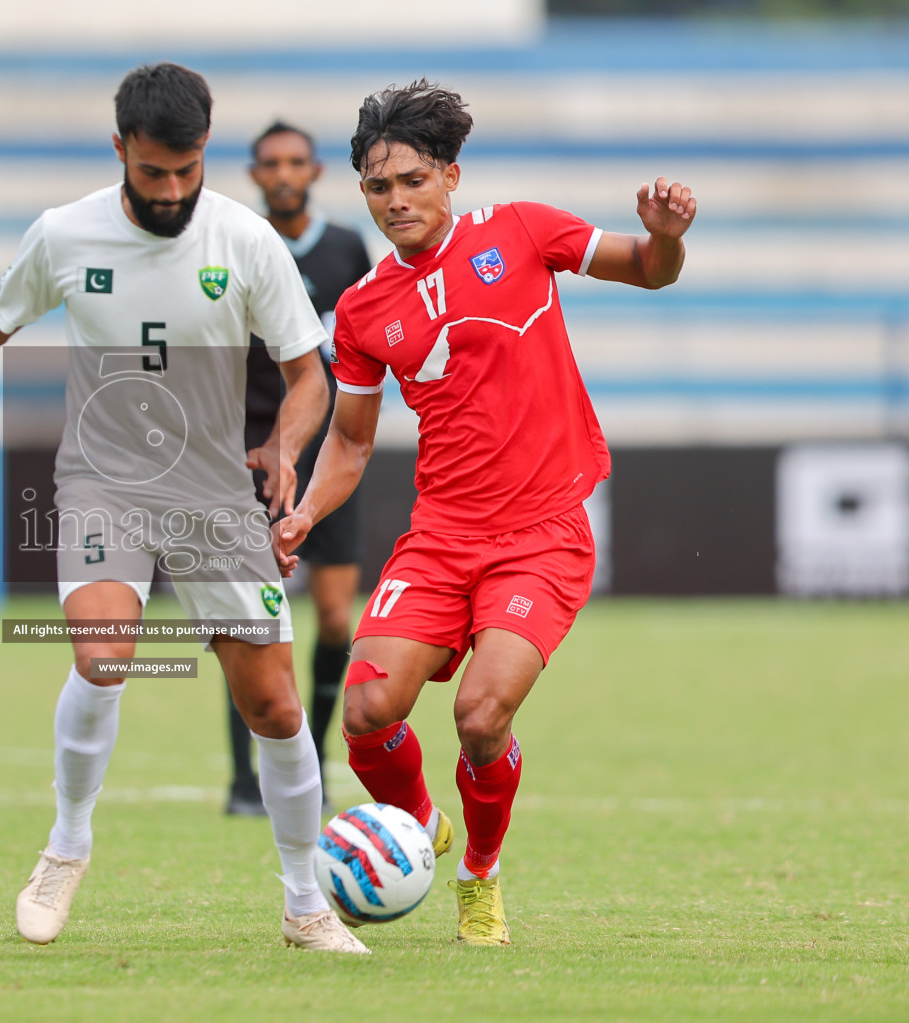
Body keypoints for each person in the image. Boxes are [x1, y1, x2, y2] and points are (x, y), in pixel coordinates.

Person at [0, 63, 369, 954]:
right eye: (152, 173)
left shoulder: (247, 243)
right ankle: (66, 848)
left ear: (207, 150)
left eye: (187, 170)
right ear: (119, 150)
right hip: (104, 479)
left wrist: (285, 450)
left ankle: (303, 904)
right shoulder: (65, 235)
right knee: (103, 658)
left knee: (278, 712)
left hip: (213, 492)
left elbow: (305, 378)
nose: (171, 191)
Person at [276, 80, 696, 946]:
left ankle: (478, 876)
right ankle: (422, 827)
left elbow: (649, 272)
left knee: (479, 716)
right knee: (364, 712)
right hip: (440, 536)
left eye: (413, 182)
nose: (396, 201)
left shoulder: (523, 231)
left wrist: (665, 237)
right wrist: (303, 513)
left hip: (542, 533)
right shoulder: (361, 309)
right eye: (378, 187)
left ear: (451, 177)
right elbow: (350, 444)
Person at [225, 122, 373, 817]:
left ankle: (312, 762)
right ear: (255, 175)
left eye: (294, 163)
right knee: (249, 619)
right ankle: (243, 781)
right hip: (253, 449)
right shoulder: (236, 246)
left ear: (314, 171)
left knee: (337, 618)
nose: (282, 174)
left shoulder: (347, 248)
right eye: (270, 164)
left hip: (331, 448)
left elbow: (370, 337)